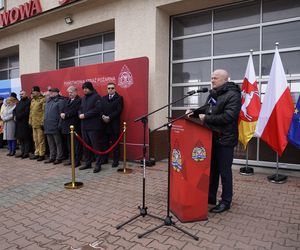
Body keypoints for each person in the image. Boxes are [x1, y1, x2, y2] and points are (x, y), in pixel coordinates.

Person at [188, 69, 241, 213]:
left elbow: (228, 117)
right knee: (211, 171)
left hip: (225, 140)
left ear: (225, 79)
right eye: (211, 78)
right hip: (210, 138)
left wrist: (206, 118)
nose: (212, 80)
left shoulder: (234, 95)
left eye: (215, 78)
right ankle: (210, 197)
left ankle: (226, 201)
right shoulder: (213, 94)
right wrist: (195, 112)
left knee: (224, 172)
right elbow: (207, 110)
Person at [78, 81, 104, 173]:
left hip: (93, 127)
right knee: (86, 146)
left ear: (91, 88)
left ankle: (98, 164)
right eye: (83, 88)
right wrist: (80, 114)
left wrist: (85, 115)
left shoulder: (97, 97)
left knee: (95, 146)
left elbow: (97, 110)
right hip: (84, 126)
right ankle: (88, 163)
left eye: (86, 88)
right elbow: (80, 108)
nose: (84, 90)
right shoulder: (83, 98)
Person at [101, 82, 124, 168]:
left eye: (112, 88)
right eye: (109, 88)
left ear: (115, 89)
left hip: (114, 124)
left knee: (115, 143)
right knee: (105, 143)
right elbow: (101, 109)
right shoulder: (103, 98)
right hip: (105, 124)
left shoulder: (119, 98)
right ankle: (105, 159)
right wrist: (103, 116)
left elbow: (119, 110)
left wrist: (109, 117)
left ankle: (116, 160)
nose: (110, 89)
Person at [60, 86, 82, 167]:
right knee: (69, 145)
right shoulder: (67, 100)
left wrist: (66, 114)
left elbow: (75, 111)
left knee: (76, 145)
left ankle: (77, 161)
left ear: (76, 92)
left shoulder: (79, 100)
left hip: (75, 125)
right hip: (67, 126)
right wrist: (62, 113)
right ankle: (71, 159)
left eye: (71, 92)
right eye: (69, 92)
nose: (70, 94)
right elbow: (62, 109)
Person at [43, 88, 65, 165]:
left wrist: (59, 124)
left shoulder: (60, 101)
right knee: (50, 143)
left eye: (51, 92)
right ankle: (52, 157)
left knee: (58, 143)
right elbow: (45, 114)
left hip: (55, 125)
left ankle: (59, 157)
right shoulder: (48, 101)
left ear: (56, 93)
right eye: (50, 92)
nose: (50, 94)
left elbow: (61, 114)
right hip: (48, 125)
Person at [29, 86, 46, 161]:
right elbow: (31, 112)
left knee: (40, 140)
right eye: (32, 91)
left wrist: (42, 122)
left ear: (38, 92)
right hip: (33, 123)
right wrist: (30, 121)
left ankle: (42, 154)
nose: (33, 93)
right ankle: (37, 153)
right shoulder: (33, 100)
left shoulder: (42, 100)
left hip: (39, 124)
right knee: (35, 139)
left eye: (34, 91)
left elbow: (44, 112)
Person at [14, 90, 32, 158]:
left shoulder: (28, 101)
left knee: (26, 138)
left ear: (26, 94)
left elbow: (26, 112)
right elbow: (14, 110)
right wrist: (15, 115)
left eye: (22, 94)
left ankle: (26, 153)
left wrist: (18, 117)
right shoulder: (19, 102)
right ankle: (22, 152)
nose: (21, 95)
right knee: (21, 138)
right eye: (20, 94)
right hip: (19, 123)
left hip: (25, 123)